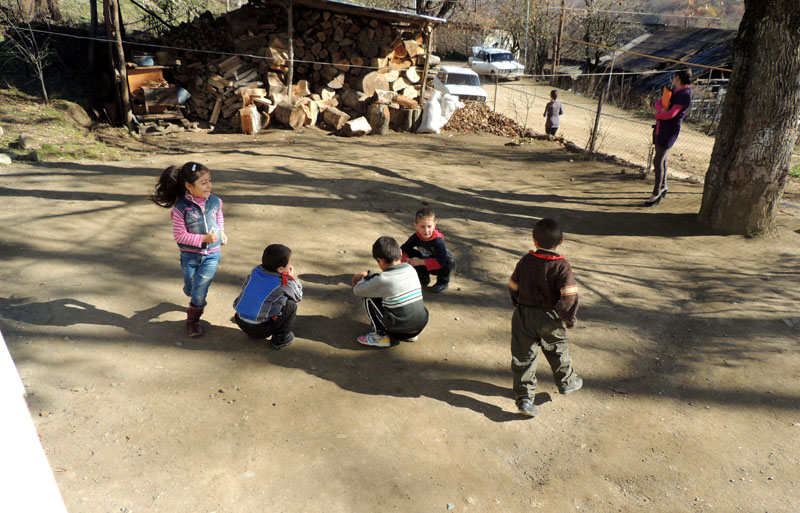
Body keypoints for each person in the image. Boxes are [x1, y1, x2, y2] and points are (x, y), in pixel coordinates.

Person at [508, 218, 582, 418]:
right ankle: (567, 382)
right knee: (558, 349)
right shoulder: (562, 266)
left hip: (524, 315)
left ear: (534, 240)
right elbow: (569, 296)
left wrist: (517, 303)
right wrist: (567, 317)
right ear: (561, 241)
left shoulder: (525, 261)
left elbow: (513, 285)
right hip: (550, 316)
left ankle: (525, 399)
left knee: (523, 356)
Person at [150, 162, 227, 337]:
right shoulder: (180, 209)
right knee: (192, 288)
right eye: (203, 182)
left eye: (209, 181)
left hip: (212, 255)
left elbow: (218, 214)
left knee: (199, 293)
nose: (209, 186)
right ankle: (191, 290)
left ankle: (193, 321)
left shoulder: (215, 201)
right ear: (188, 186)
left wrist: (221, 231)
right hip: (190, 257)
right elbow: (179, 236)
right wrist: (203, 239)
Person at [352, 236, 429, 348]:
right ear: (401, 253)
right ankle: (410, 335)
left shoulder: (383, 279)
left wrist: (366, 278)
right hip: (420, 325)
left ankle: (380, 335)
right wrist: (370, 273)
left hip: (399, 330)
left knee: (368, 296)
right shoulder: (410, 269)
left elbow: (357, 291)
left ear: (381, 261)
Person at [232, 244, 302, 350]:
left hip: (240, 320)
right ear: (280, 269)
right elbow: (298, 296)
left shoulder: (255, 272)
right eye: (290, 263)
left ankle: (253, 330)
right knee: (290, 306)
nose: (291, 265)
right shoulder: (282, 284)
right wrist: (292, 278)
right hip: (261, 329)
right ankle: (280, 338)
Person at [646, 69, 693, 206]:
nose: (673, 79)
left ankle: (656, 192)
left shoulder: (685, 95)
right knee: (662, 158)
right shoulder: (675, 90)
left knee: (658, 161)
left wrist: (658, 115)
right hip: (661, 128)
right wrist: (661, 111)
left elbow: (672, 114)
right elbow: (659, 104)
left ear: (678, 78)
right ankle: (663, 186)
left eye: (675, 77)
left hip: (669, 130)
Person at [400, 208, 455, 293]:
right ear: (416, 226)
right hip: (425, 262)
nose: (426, 230)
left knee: (447, 260)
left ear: (435, 225)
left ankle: (443, 282)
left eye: (429, 226)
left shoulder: (438, 240)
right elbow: (402, 249)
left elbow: (441, 261)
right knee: (411, 252)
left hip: (440, 265)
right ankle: (423, 278)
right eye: (422, 227)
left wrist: (420, 262)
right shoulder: (416, 236)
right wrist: (406, 259)